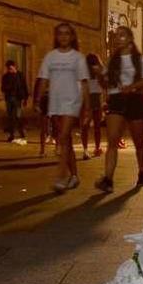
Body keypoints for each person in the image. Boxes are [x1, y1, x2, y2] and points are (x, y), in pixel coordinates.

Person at [95, 26, 143, 193]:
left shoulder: (140, 59)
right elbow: (105, 84)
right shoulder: (112, 60)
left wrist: (132, 87)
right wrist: (100, 74)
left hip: (135, 100)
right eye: (116, 35)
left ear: (130, 38)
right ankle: (108, 179)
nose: (117, 38)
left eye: (122, 35)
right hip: (116, 99)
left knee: (138, 142)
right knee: (112, 140)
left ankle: (142, 172)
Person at [37, 22, 90, 192]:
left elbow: (85, 83)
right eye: (60, 33)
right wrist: (37, 99)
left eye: (67, 33)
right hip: (55, 102)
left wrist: (87, 108)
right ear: (56, 36)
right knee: (65, 139)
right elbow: (43, 79)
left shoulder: (78, 58)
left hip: (72, 101)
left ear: (72, 36)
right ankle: (74, 175)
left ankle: (61, 177)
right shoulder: (50, 57)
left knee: (63, 135)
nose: (64, 36)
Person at [81, 53, 105, 160]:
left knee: (85, 126)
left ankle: (85, 150)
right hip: (96, 98)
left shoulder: (84, 71)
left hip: (87, 98)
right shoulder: (99, 70)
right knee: (97, 126)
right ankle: (97, 147)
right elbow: (105, 84)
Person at [1, 60, 29, 144]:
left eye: (10, 67)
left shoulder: (20, 75)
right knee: (10, 117)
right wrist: (8, 86)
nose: (9, 69)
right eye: (8, 68)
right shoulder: (6, 76)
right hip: (9, 98)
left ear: (14, 66)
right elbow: (2, 88)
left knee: (17, 116)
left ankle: (21, 131)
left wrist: (25, 98)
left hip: (18, 99)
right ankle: (12, 134)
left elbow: (24, 86)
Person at [33, 73, 58, 158]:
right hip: (47, 101)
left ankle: (44, 150)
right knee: (50, 126)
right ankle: (44, 150)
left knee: (54, 126)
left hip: (49, 100)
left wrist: (36, 104)